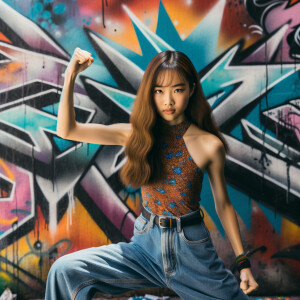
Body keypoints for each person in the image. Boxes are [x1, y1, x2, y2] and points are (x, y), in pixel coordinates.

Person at [45, 48, 259, 300]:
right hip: (144, 248)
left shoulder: (209, 144)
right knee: (64, 270)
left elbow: (223, 205)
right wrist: (70, 74)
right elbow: (67, 130)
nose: (168, 101)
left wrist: (243, 263)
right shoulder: (137, 135)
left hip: (191, 252)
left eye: (177, 90)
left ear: (191, 89)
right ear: (150, 93)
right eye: (159, 91)